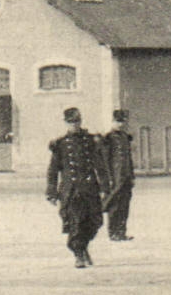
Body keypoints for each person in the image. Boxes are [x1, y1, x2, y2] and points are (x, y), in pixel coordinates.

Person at [47, 107, 110, 268]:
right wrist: (51, 192)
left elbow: (100, 165)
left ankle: (83, 247)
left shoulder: (90, 141)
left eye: (76, 121)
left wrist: (105, 187)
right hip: (71, 190)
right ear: (65, 123)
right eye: (70, 122)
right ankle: (78, 254)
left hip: (90, 188)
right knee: (76, 223)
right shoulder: (60, 144)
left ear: (81, 121)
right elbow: (53, 170)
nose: (74, 125)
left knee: (95, 221)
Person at [101, 108, 136, 242]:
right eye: (118, 121)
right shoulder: (108, 138)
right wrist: (109, 178)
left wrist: (132, 176)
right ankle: (113, 232)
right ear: (113, 121)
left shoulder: (125, 137)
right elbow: (106, 160)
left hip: (126, 176)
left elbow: (129, 158)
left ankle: (122, 232)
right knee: (114, 205)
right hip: (115, 177)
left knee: (125, 205)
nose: (120, 124)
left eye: (122, 122)